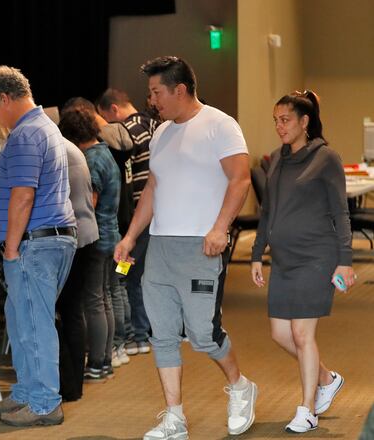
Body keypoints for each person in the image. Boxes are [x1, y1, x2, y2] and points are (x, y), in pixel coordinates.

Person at [114, 56, 257, 439]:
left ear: (180, 90)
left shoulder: (220, 125)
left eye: (156, 92)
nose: (152, 100)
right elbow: (153, 190)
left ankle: (240, 386)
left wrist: (220, 228)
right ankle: (174, 418)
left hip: (201, 247)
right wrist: (130, 237)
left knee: (203, 335)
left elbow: (240, 180)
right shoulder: (161, 132)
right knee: (161, 334)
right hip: (159, 246)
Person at [0, 65, 77, 426]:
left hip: (34, 244)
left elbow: (24, 196)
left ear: (5, 98)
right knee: (22, 319)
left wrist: (10, 248)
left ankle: (43, 404)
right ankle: (27, 393)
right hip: (46, 240)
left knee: (34, 324)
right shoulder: (42, 128)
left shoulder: (25, 135)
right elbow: (22, 188)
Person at [250, 90, 352, 433]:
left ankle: (307, 409)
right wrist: (256, 253)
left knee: (301, 333)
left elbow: (341, 213)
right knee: (281, 334)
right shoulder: (278, 158)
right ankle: (326, 378)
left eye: (286, 120)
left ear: (304, 122)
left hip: (317, 258)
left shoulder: (326, 158)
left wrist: (345, 261)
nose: (279, 127)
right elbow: (268, 211)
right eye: (276, 121)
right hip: (283, 261)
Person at [97, 88, 160, 356]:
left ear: (113, 109)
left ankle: (138, 334)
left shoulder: (127, 130)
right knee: (142, 274)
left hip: (137, 216)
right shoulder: (153, 124)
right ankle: (146, 331)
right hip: (158, 214)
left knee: (126, 274)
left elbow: (130, 180)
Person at [59, 108, 121, 382]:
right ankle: (105, 359)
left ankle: (97, 362)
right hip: (111, 235)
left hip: (97, 239)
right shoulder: (105, 152)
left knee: (94, 301)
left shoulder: (92, 159)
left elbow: (90, 203)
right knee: (105, 298)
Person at [55, 133, 100, 399]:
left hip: (72, 239)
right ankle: (75, 385)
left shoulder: (54, 151)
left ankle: (67, 385)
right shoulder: (71, 148)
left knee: (67, 313)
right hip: (87, 236)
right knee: (77, 311)